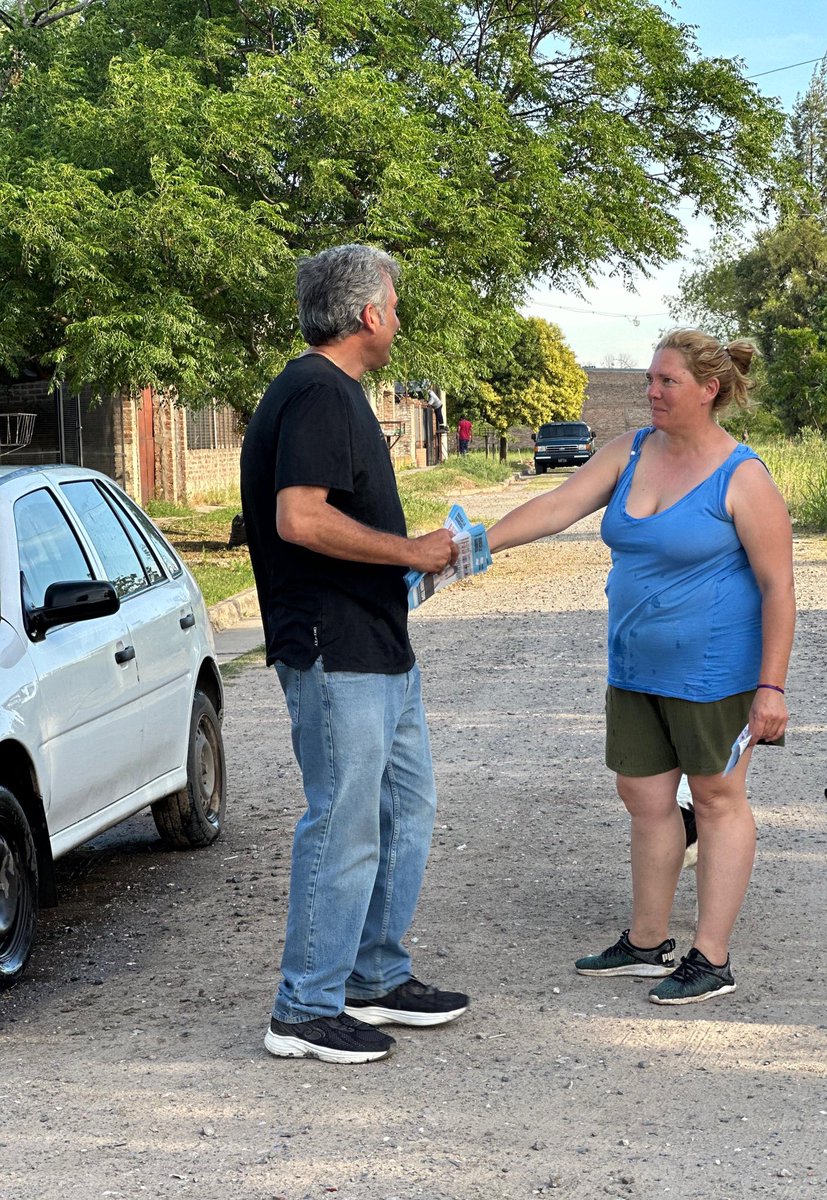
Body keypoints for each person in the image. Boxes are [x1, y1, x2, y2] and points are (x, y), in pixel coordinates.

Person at [487, 330, 795, 1005]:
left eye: (667, 381)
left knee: (716, 801)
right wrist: (477, 545)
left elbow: (779, 588)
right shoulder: (629, 451)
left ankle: (711, 958)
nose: (651, 391)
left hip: (715, 675)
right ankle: (647, 942)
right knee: (647, 800)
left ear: (708, 389)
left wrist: (771, 687)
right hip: (634, 668)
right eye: (650, 379)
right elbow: (557, 506)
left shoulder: (742, 476)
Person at [240, 244, 470, 1064]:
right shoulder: (316, 392)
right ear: (369, 314)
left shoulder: (334, 392)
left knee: (405, 811)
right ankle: (304, 1008)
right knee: (344, 822)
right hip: (332, 648)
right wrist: (411, 551)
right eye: (395, 306)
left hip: (378, 646)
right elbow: (299, 519)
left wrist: (411, 569)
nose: (398, 319)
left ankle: (373, 975)